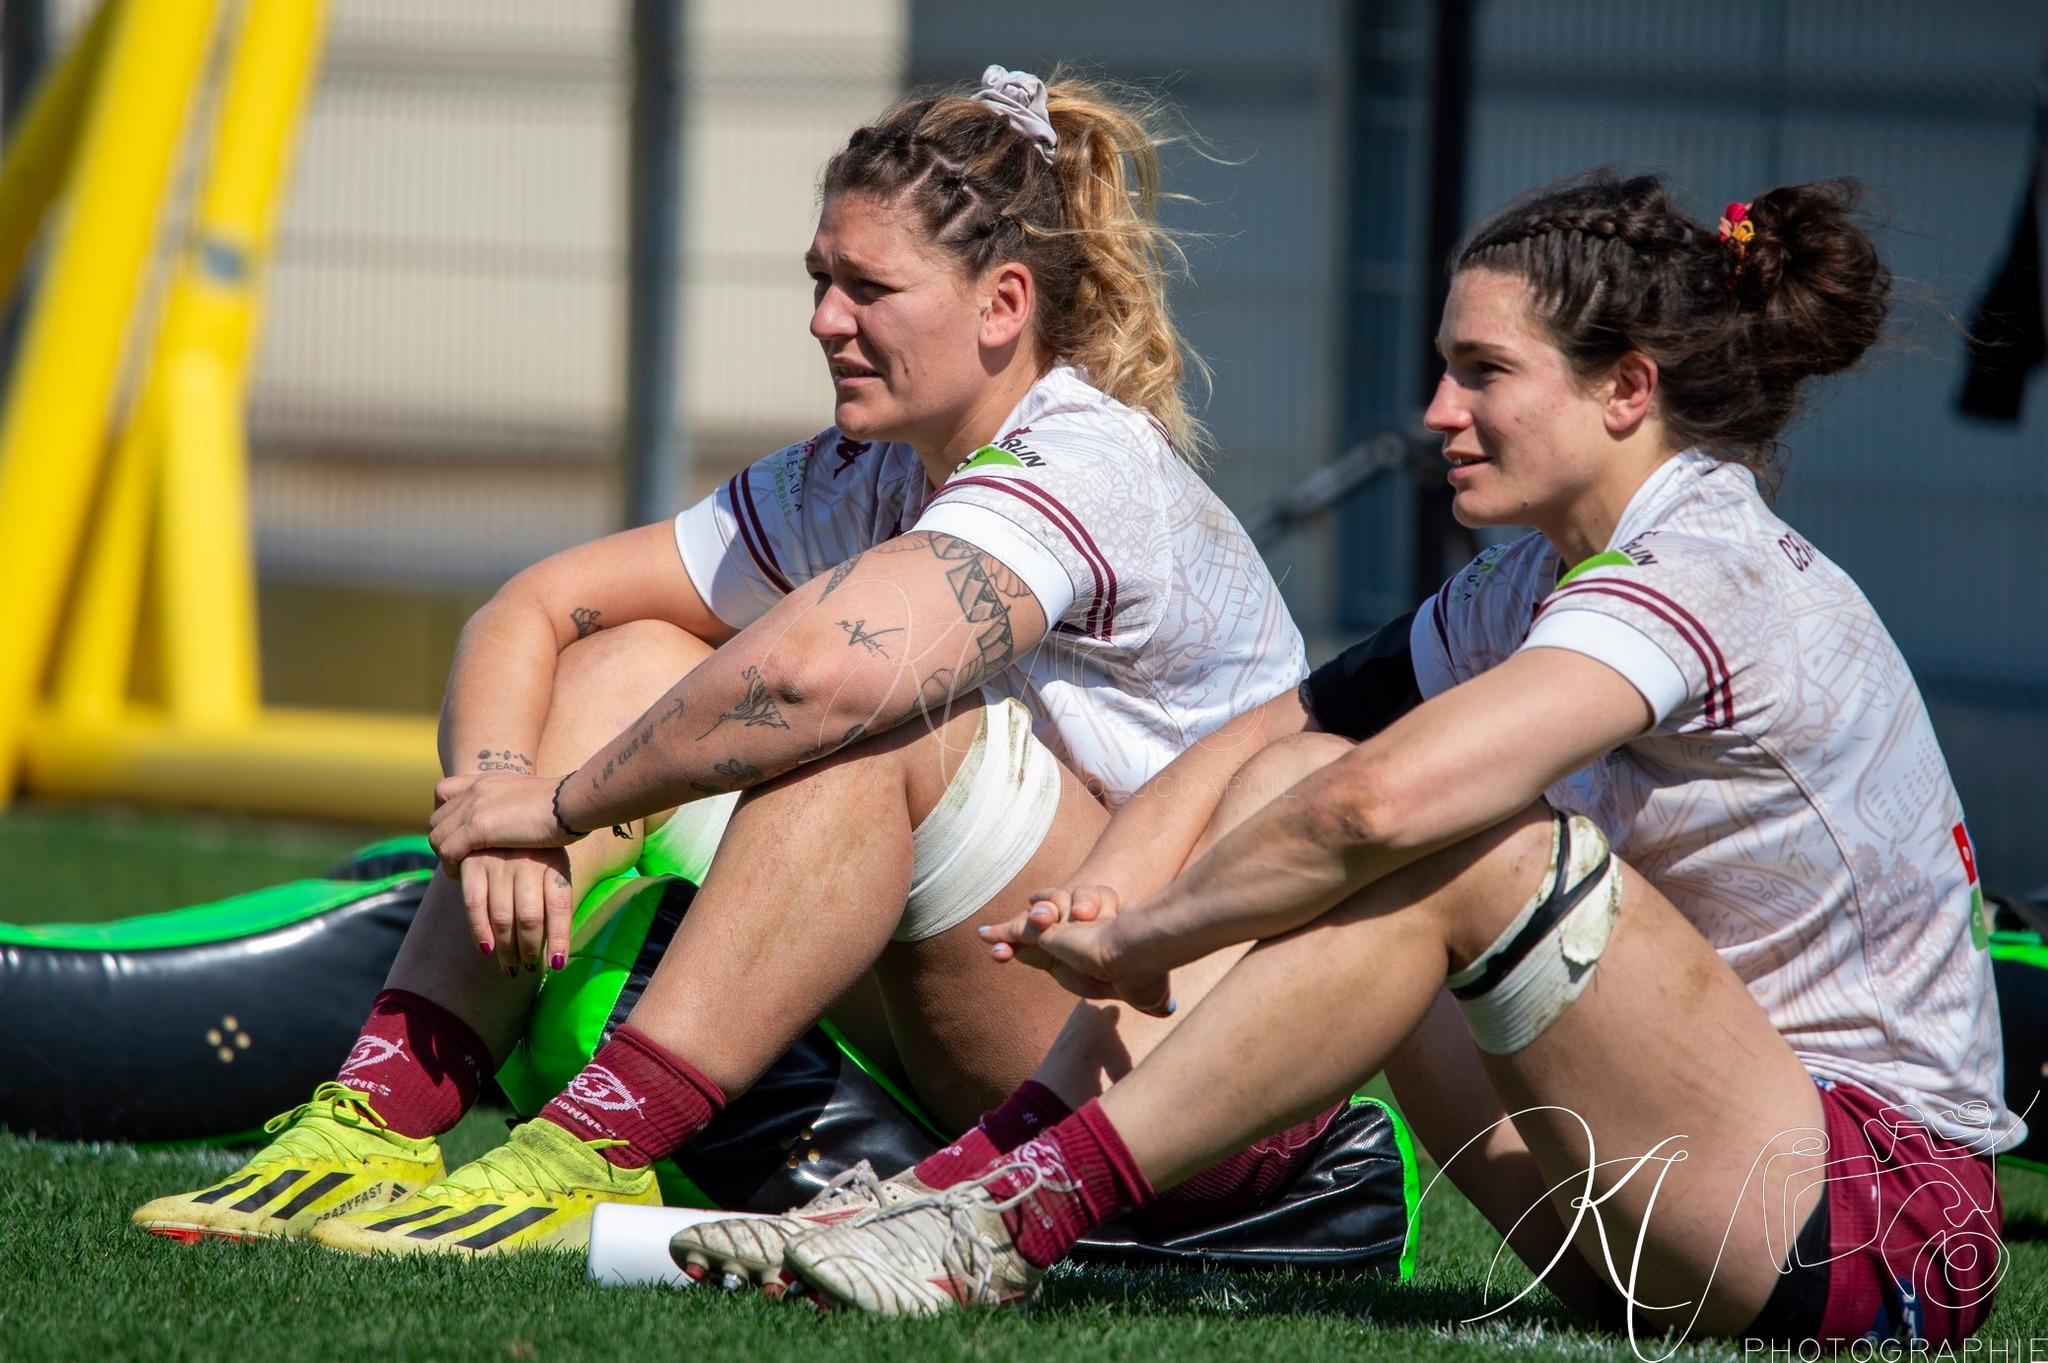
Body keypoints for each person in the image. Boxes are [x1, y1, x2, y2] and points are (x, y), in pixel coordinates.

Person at [767, 172, 2020, 1347]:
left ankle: (1002, 1213)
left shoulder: (1701, 566)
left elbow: (1376, 807)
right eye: (1442, 368)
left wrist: (1149, 937)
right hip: (1660, 1206)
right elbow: (1264, 740)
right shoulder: (1527, 575)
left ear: (1625, 391)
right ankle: (974, 1184)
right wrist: (1117, 890)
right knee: (1300, 773)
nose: (1436, 413)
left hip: (1890, 1232)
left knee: (1460, 844)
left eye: (1482, 372)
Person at [130, 66, 1319, 1256]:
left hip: (1190, 1077)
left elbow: (818, 679)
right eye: (818, 281)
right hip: (1013, 995)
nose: (822, 321)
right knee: (633, 648)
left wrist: (557, 802)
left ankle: (584, 1149)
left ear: (1001, 304)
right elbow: (537, 606)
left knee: (874, 722)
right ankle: (380, 1112)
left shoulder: (1082, 459)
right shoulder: (861, 471)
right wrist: (501, 803)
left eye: (867, 287)